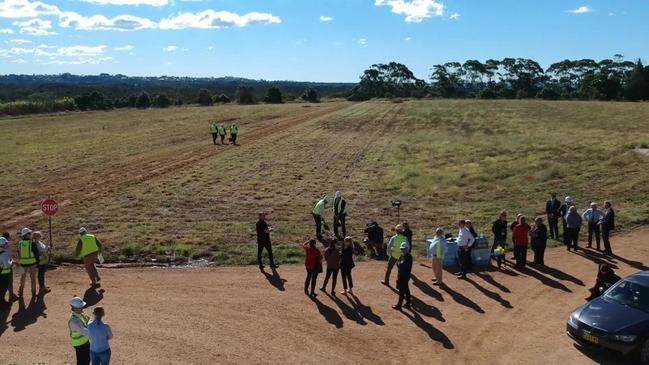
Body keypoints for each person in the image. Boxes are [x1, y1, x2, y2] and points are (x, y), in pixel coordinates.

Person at [17, 227, 39, 297]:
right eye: (29, 233)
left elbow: (19, 253)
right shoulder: (32, 243)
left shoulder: (19, 243)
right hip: (32, 263)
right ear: (26, 235)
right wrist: (37, 262)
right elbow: (36, 254)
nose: (31, 234)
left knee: (22, 278)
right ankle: (33, 293)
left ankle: (20, 292)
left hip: (22, 263)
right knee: (33, 279)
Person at [69, 296, 90, 365]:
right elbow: (85, 332)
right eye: (80, 307)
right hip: (79, 344)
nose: (82, 308)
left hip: (85, 341)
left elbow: (89, 320)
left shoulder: (81, 315)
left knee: (87, 359)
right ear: (74, 308)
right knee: (82, 361)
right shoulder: (74, 321)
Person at [392, 242, 412, 310]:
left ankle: (399, 305)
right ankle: (408, 304)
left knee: (401, 291)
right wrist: (399, 263)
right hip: (401, 275)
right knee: (406, 290)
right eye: (401, 249)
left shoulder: (408, 257)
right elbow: (398, 263)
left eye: (404, 249)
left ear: (407, 248)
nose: (402, 250)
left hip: (404, 276)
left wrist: (399, 263)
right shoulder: (402, 255)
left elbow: (401, 265)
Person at [2, 231, 18, 302]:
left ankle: (11, 295)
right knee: (9, 282)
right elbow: (8, 258)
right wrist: (12, 262)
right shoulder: (6, 248)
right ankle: (11, 296)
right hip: (6, 268)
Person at [0, 237, 13, 308]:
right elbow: (7, 265)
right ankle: (2, 304)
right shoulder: (3, 253)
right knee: (3, 289)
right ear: (2, 244)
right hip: (4, 273)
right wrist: (12, 262)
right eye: (6, 243)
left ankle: (2, 302)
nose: (7, 244)